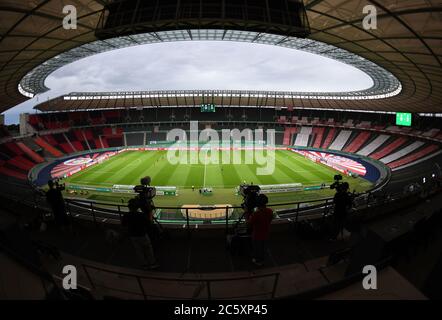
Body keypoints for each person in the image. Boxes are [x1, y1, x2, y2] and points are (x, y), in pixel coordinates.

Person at [122, 199, 159, 270]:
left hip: (132, 236)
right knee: (148, 249)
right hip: (142, 235)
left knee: (139, 251)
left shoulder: (126, 215)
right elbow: (150, 224)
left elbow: (123, 225)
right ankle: (152, 263)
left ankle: (144, 265)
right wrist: (150, 212)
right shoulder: (141, 215)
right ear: (137, 207)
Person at [248, 194, 274, 266]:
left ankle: (258, 261)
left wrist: (248, 214)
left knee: (257, 248)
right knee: (263, 247)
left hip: (257, 235)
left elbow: (249, 224)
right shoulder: (270, 211)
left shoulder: (256, 214)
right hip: (266, 233)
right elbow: (270, 219)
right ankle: (262, 259)